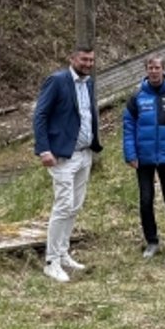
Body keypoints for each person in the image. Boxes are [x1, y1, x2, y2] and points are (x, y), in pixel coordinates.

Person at [32, 46, 101, 282]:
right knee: (63, 205)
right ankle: (51, 261)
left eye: (91, 60)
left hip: (84, 154)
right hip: (62, 155)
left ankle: (62, 253)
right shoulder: (57, 81)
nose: (87, 63)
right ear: (72, 59)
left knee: (75, 206)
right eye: (83, 59)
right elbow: (40, 115)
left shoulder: (89, 83)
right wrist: (44, 149)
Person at [123, 55, 165, 264]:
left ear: (163, 70)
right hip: (143, 159)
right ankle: (152, 242)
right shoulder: (136, 97)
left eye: (157, 68)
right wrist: (130, 153)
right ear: (146, 70)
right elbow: (128, 126)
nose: (154, 71)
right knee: (145, 201)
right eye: (150, 68)